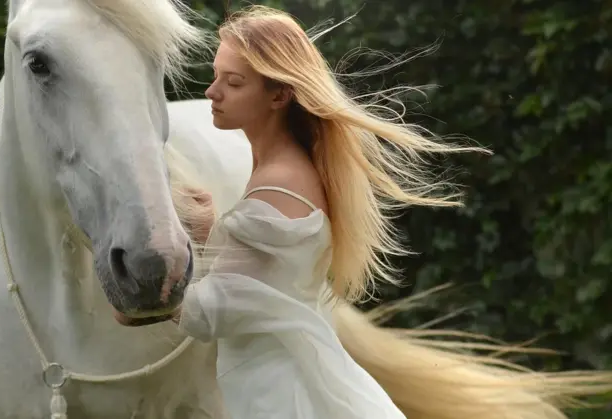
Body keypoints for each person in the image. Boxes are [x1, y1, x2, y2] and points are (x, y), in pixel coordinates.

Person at [166, 5, 612, 419]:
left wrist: (154, 294)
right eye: (216, 76)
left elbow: (211, 315)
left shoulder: (278, 182)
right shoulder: (286, 169)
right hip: (276, 380)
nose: (212, 92)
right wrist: (209, 240)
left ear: (279, 95)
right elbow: (260, 290)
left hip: (279, 394)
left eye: (234, 82)